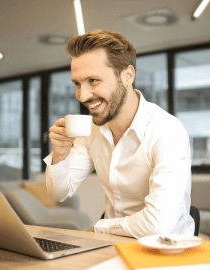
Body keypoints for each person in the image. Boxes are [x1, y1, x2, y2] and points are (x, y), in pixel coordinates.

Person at [43, 30, 194, 238]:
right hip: (112, 247)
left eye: (93, 81)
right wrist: (60, 155)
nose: (83, 96)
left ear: (127, 76)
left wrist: (100, 227)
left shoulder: (168, 131)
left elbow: (158, 225)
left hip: (165, 252)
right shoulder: (92, 131)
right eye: (77, 84)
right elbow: (58, 193)